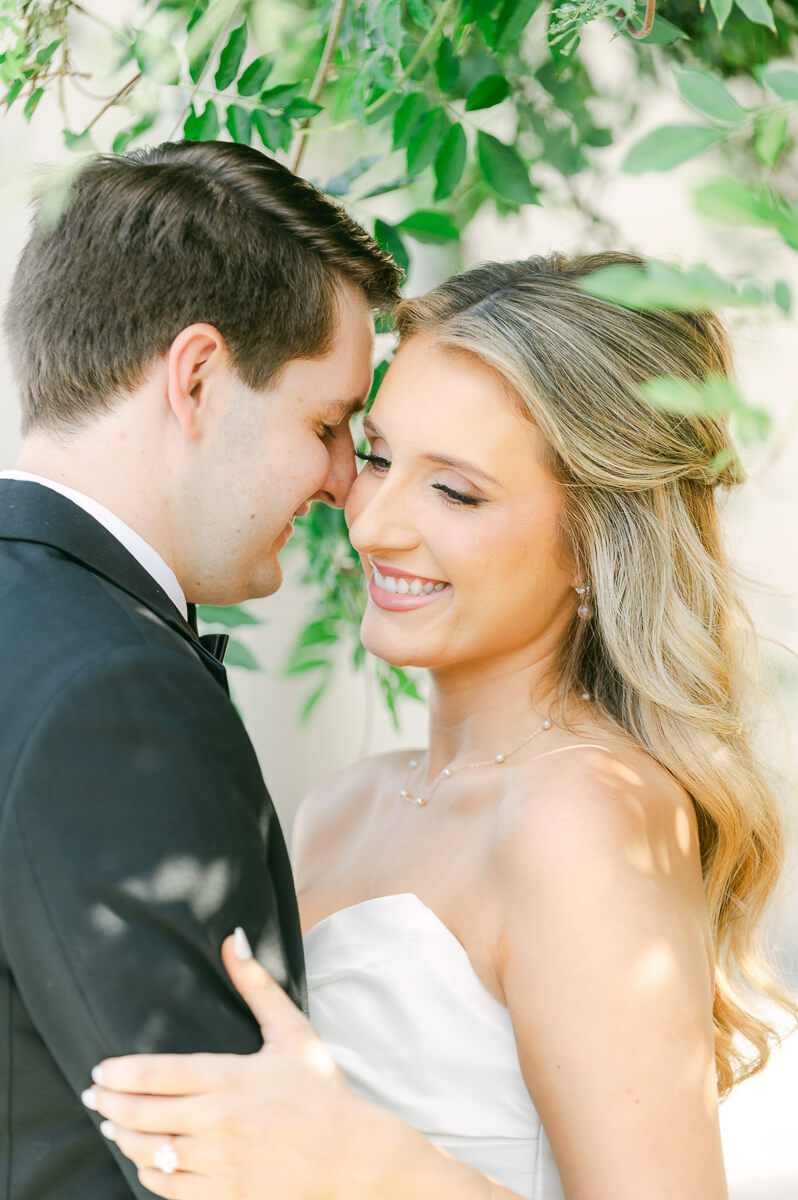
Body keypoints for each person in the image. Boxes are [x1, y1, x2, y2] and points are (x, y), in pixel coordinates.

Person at [85, 253, 796, 1200]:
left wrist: (358, 1163)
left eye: (455, 492)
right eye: (378, 456)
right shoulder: (346, 804)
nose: (372, 526)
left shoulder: (583, 815)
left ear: (595, 539)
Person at [0, 138, 401, 1199]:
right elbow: (227, 1169)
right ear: (199, 378)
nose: (342, 480)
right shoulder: (111, 695)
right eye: (326, 423)